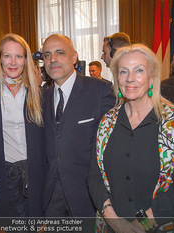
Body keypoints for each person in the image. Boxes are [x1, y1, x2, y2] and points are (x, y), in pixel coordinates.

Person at [87, 44, 174, 232]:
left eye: (139, 70)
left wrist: (142, 224)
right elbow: (94, 176)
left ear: (152, 77)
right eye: (123, 72)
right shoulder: (107, 122)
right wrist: (115, 221)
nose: (130, 78)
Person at [42, 34, 115, 217]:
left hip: (88, 197)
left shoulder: (100, 91)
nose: (53, 60)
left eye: (60, 53)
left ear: (74, 57)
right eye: (47, 55)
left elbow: (110, 146)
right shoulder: (43, 96)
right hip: (52, 198)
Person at [0, 33, 46, 217]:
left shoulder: (37, 92)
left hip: (34, 171)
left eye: (19, 56)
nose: (13, 62)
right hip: (4, 172)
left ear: (25, 60)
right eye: (7, 56)